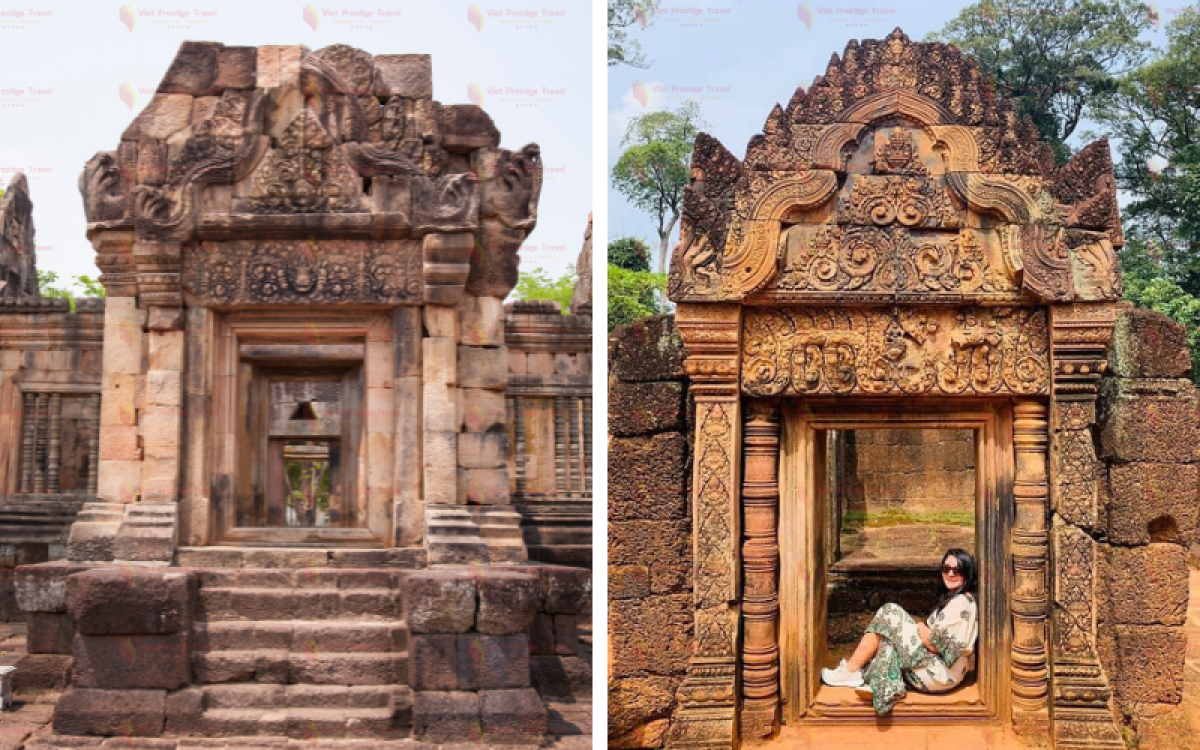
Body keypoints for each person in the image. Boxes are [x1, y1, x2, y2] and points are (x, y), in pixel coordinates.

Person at [820, 547, 979, 716]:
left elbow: (935, 645)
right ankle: (885, 685)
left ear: (967, 574)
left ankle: (851, 671)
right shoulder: (956, 599)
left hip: (941, 674)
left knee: (890, 612)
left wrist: (920, 627)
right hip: (942, 674)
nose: (951, 574)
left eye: (957, 570)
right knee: (889, 637)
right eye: (946, 569)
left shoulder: (961, 602)